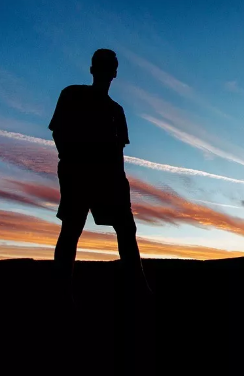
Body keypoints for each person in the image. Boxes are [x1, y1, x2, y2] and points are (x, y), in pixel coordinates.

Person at [49, 48, 151, 308]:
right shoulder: (72, 95)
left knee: (126, 231)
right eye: (102, 66)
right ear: (93, 69)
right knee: (71, 230)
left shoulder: (116, 111)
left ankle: (138, 291)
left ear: (114, 73)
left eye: (110, 67)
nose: (106, 71)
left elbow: (119, 153)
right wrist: (73, 162)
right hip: (79, 176)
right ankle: (62, 295)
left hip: (110, 180)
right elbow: (59, 132)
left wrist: (121, 185)